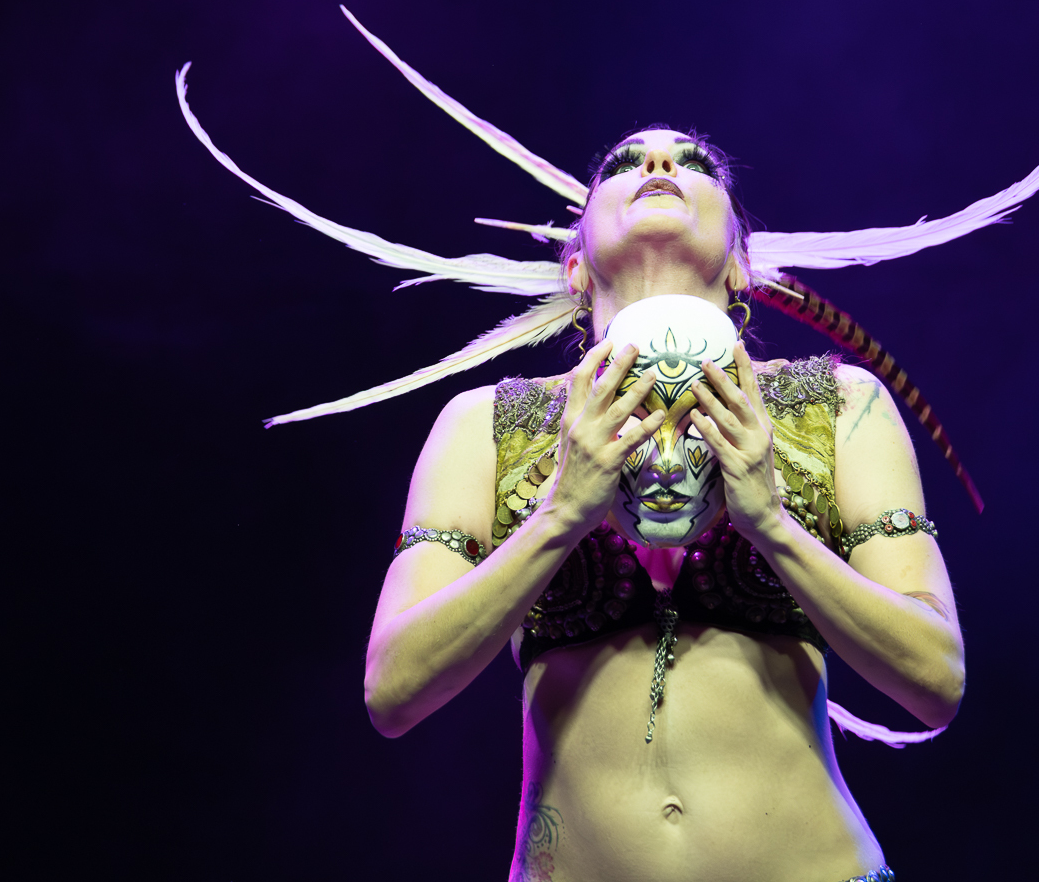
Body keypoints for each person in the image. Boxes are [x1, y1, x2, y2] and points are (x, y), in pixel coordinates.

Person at [362, 129, 964, 882]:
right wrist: (559, 517)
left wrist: (773, 526)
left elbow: (936, 680)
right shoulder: (484, 424)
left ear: (741, 264)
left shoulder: (840, 404)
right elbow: (392, 691)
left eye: (694, 162)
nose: (657, 164)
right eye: (625, 162)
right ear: (575, 266)